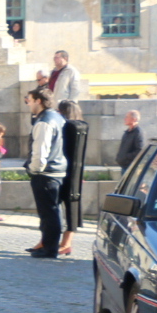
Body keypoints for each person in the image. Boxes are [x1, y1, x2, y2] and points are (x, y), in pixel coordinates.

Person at [24, 89, 68, 259]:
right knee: (52, 211)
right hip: (57, 170)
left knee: (49, 213)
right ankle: (48, 245)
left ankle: (49, 248)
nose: (28, 103)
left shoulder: (44, 121)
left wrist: (34, 169)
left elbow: (40, 150)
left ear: (38, 101)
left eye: (30, 100)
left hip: (46, 173)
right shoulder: (57, 117)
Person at [56, 100, 89, 256]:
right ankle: (66, 241)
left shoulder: (66, 126)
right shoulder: (81, 125)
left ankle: (65, 243)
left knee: (63, 206)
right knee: (72, 206)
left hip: (63, 170)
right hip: (76, 171)